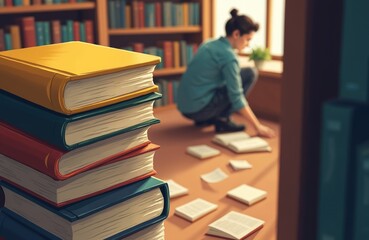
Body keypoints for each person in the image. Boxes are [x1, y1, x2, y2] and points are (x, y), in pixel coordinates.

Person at [176, 9, 275, 138]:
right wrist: (258, 126)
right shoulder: (228, 57)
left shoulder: (209, 43)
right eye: (247, 39)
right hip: (199, 110)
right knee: (250, 72)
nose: (248, 45)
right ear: (236, 34)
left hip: (184, 107)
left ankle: (208, 119)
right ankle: (222, 120)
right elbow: (236, 97)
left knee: (238, 76)